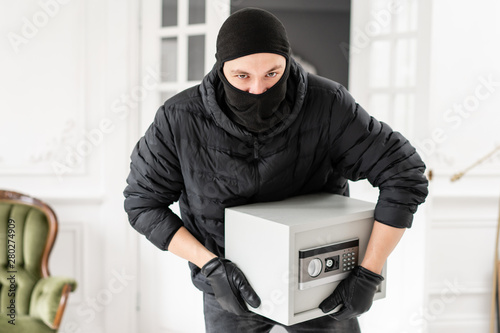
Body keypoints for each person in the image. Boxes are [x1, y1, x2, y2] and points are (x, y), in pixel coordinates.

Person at [124, 7, 428, 333]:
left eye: (272, 74)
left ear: (287, 62)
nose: (258, 90)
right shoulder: (178, 118)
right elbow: (142, 203)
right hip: (228, 286)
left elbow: (405, 174)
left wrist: (370, 271)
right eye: (242, 76)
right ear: (221, 67)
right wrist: (210, 265)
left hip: (322, 284)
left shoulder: (328, 104)